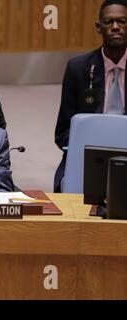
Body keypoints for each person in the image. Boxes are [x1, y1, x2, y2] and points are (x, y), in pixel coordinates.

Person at [54, 0, 127, 192]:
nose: (115, 27)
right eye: (109, 22)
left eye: (122, 21)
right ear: (98, 27)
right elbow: (62, 132)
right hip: (90, 156)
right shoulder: (78, 68)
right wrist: (80, 149)